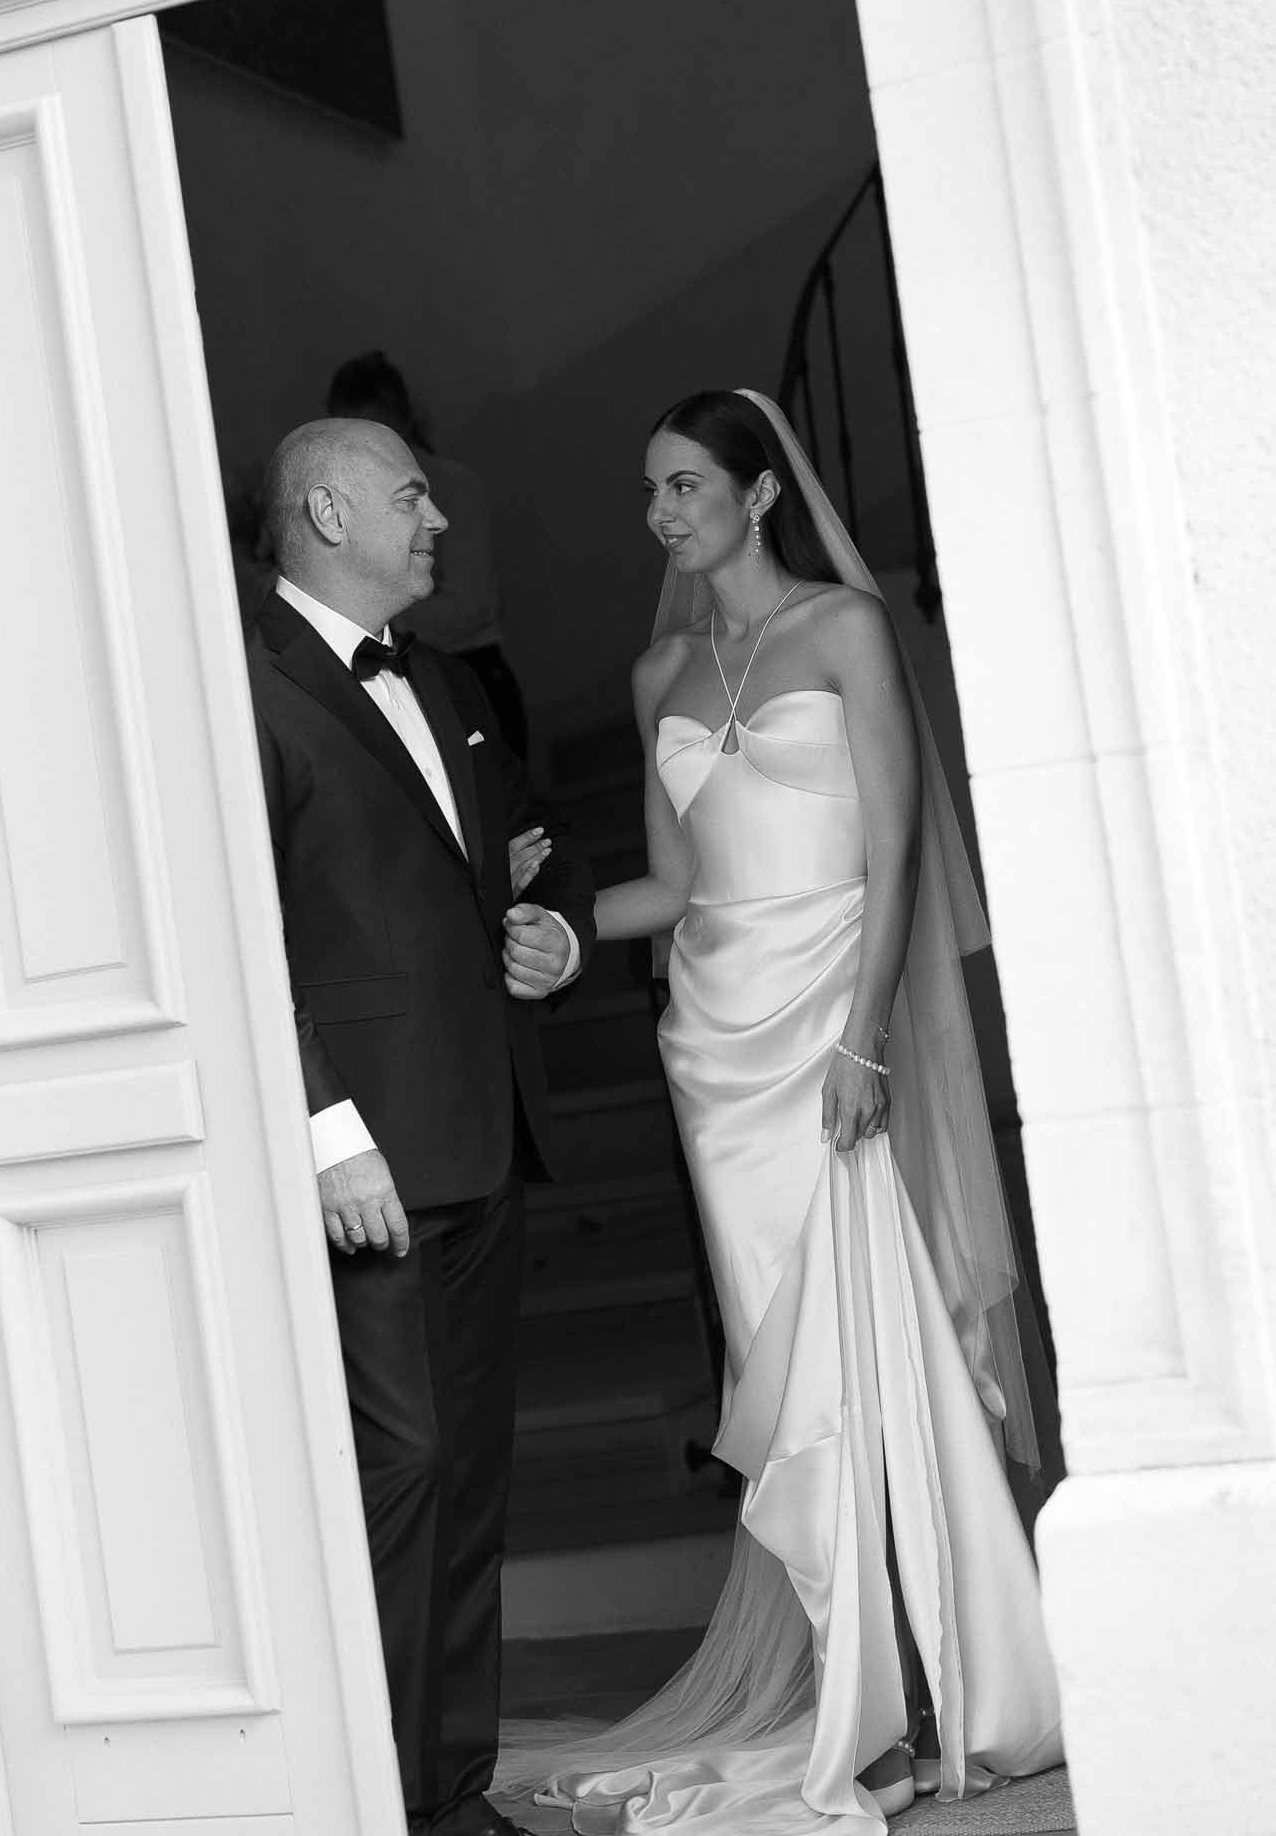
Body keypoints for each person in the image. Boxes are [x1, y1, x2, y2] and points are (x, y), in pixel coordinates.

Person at [498, 390, 1062, 1834]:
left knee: (878, 1334)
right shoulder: (658, 673)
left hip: (832, 1018)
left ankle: (940, 1681)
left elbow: (896, 853)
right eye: (650, 489)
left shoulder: (844, 629)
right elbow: (674, 885)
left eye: (684, 484)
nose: (659, 514)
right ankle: (857, 1691)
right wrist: (553, 927)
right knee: (782, 1363)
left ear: (757, 494)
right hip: (716, 1049)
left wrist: (865, 1038)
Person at [247, 417, 595, 1836]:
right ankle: (378, 1805)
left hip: (479, 1135)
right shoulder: (242, 682)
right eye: (410, 496)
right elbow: (242, 930)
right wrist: (324, 1126)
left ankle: (450, 1800)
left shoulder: (445, 677)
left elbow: (531, 847)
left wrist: (553, 936)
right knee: (401, 1477)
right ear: (330, 512)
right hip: (366, 1162)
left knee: (472, 1481)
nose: (437, 518)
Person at [327, 351, 531, 756]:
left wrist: (372, 615)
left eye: (375, 430)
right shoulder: (343, 507)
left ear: (403, 421)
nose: (363, 449)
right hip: (395, 686)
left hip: (468, 674)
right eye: (347, 438)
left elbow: (472, 605)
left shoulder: (455, 488)